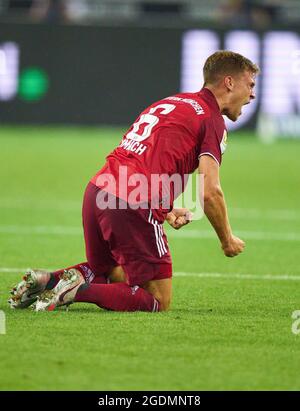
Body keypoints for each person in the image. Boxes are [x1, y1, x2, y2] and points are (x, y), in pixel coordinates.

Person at [9, 50, 259, 313]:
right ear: (229, 82)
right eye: (250, 84)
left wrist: (168, 209)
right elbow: (210, 192)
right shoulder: (212, 119)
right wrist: (227, 239)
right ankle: (75, 290)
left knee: (110, 273)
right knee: (159, 300)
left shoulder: (174, 102)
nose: (252, 94)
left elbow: (147, 155)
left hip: (98, 192)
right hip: (133, 202)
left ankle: (46, 280)